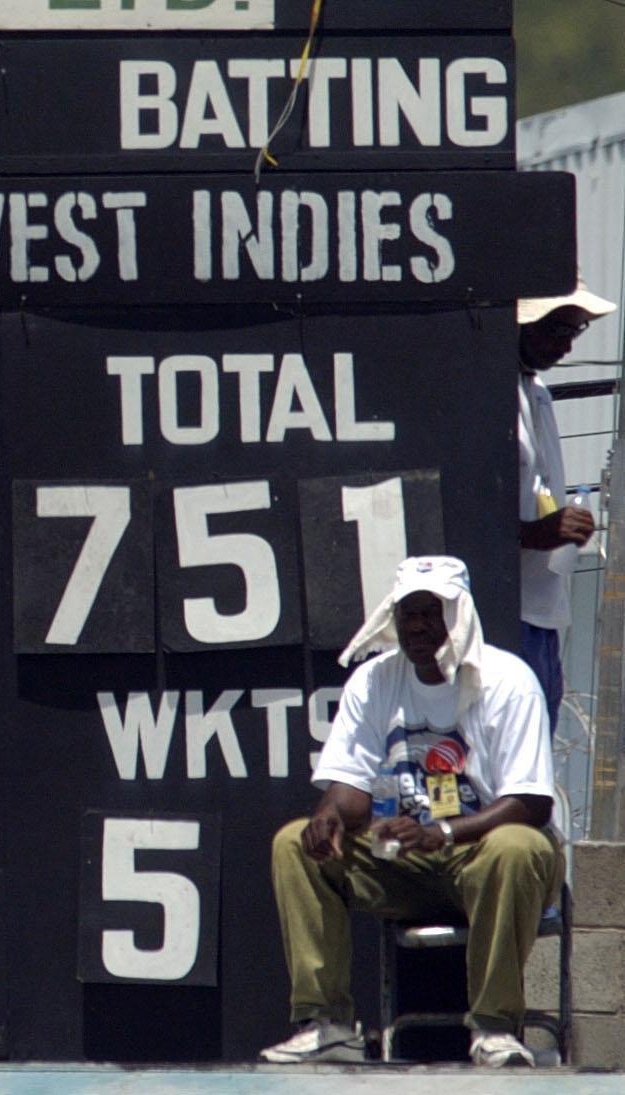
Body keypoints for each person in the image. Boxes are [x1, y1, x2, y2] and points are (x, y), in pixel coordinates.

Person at [261, 556, 561, 1068]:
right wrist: (329, 812)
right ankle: (328, 1026)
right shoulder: (374, 680)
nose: (418, 625)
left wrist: (441, 831)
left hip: (486, 859)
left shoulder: (508, 680)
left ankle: (494, 1030)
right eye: (408, 613)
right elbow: (350, 790)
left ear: (459, 615)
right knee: (295, 843)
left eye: (432, 612)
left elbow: (531, 802)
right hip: (405, 862)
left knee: (517, 846)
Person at [518, 280, 617, 728]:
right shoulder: (481, 394)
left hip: (543, 603)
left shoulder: (535, 391)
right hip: (503, 608)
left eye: (575, 333)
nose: (566, 346)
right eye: (558, 330)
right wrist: (533, 533)